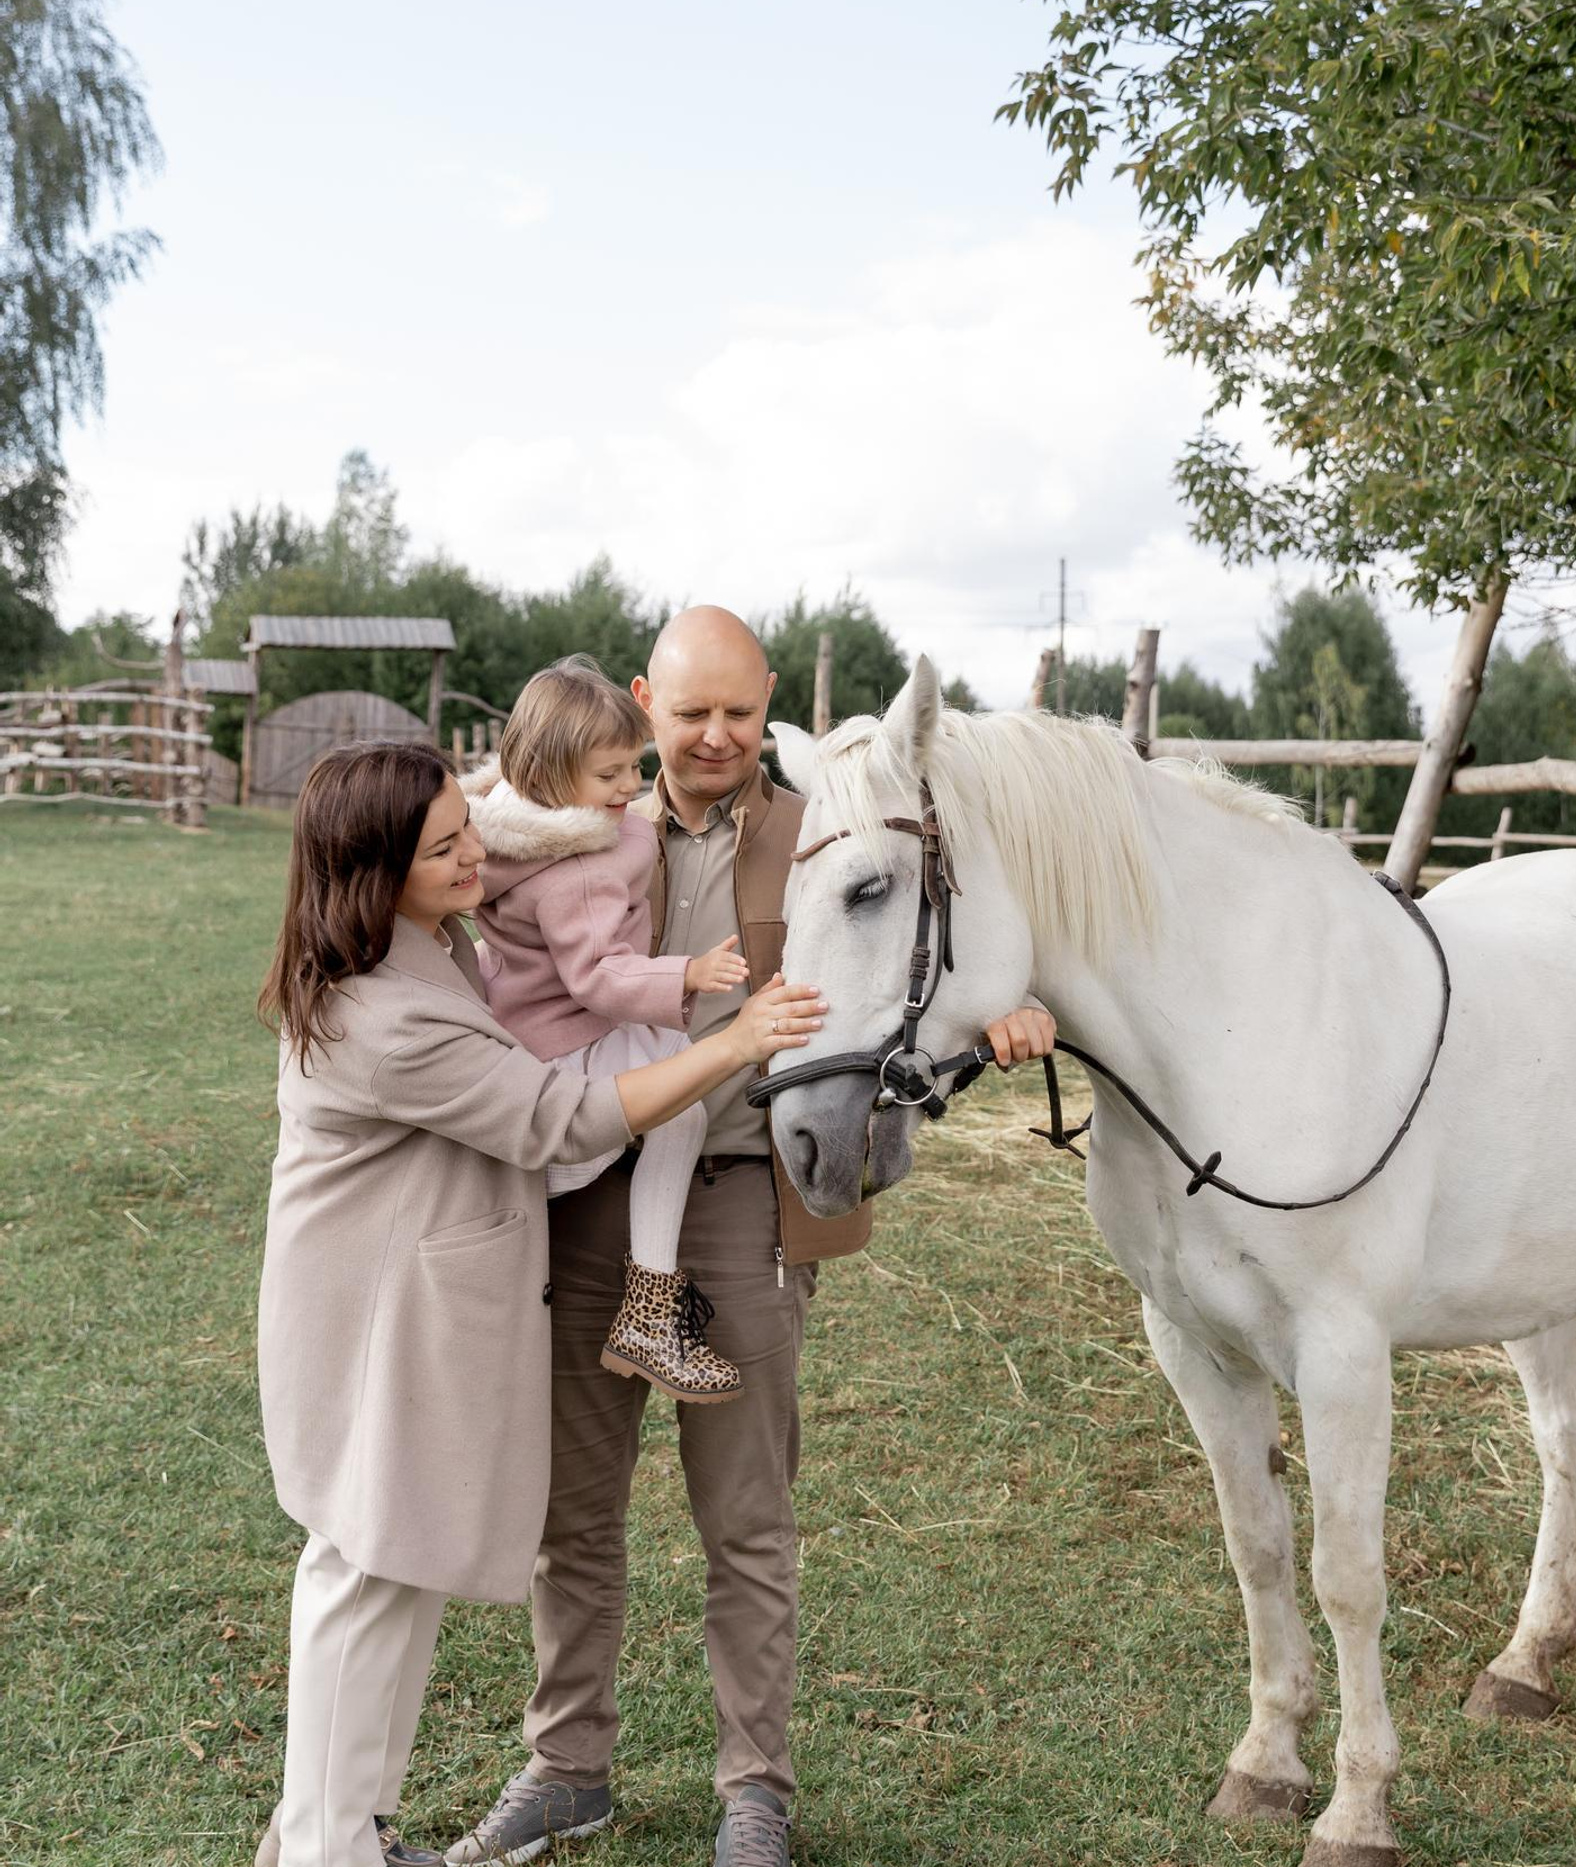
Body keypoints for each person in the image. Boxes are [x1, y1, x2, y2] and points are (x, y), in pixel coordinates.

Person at [447, 611, 1054, 1867]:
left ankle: (755, 1793)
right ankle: (567, 1766)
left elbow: (923, 945)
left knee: (746, 1517)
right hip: (579, 1189)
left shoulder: (821, 825)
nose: (716, 736)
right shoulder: (581, 816)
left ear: (768, 700)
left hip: (737, 1196)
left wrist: (1013, 1005)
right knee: (574, 1510)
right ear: (642, 704)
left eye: (737, 710)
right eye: (688, 714)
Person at [252, 739, 826, 1867]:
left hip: (408, 1310)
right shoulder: (387, 1018)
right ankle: (321, 1850)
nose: (480, 853)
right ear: (377, 871)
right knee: (360, 1578)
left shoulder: (421, 944)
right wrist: (736, 1046)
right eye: (447, 846)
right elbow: (558, 1118)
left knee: (392, 1578)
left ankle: (350, 1835)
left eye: (470, 826)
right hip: (380, 1328)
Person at [463, 654, 751, 1401]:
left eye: (633, 766)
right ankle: (650, 1311)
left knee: (638, 1121)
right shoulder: (581, 867)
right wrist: (683, 975)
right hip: (574, 1033)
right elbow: (597, 974)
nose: (631, 787)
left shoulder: (498, 819)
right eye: (611, 775)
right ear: (554, 777)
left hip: (526, 1020)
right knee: (673, 1113)